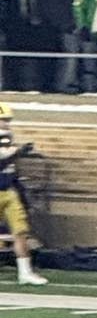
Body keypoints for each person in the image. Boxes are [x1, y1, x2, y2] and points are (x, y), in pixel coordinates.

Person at [0, 114, 44, 286]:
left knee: (20, 232)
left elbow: (10, 167)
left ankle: (25, 272)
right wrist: (17, 152)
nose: (6, 124)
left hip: (9, 190)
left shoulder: (7, 137)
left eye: (7, 121)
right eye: (3, 120)